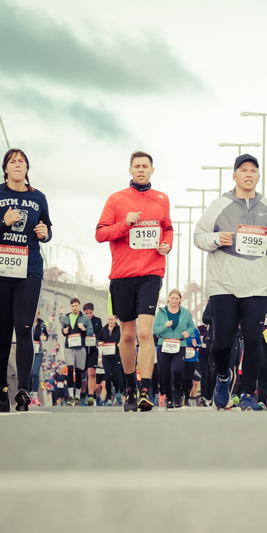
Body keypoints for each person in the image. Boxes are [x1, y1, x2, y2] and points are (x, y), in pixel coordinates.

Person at [194, 154, 267, 411]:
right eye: (243, 170)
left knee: (253, 339)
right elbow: (198, 236)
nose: (248, 174)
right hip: (223, 285)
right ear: (235, 176)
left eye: (253, 171)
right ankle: (224, 377)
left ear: (258, 177)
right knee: (223, 342)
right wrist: (216, 238)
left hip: (258, 286)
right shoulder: (219, 205)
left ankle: (249, 393)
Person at [0, 148, 52, 412]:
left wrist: (44, 233)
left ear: (27, 168)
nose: (18, 164)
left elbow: (47, 229)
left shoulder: (38, 197)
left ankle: (24, 389)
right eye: (12, 161)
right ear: (5, 169)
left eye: (22, 161)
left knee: (25, 327)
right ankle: (2, 383)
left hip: (29, 271)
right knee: (4, 332)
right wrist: (2, 224)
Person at [95, 151, 174, 412]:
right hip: (122, 275)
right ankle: (129, 387)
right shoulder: (116, 199)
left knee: (144, 332)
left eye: (145, 166)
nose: (141, 170)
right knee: (127, 335)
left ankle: (146, 390)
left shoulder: (162, 199)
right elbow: (100, 233)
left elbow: (168, 228)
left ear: (152, 170)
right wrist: (123, 224)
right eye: (136, 166)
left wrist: (167, 245)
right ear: (130, 170)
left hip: (151, 273)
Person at [154, 289, 194, 409]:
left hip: (179, 345)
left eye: (177, 298)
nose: (174, 300)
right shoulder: (161, 312)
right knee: (165, 373)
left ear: (180, 300)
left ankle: (177, 394)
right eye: (172, 298)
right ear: (168, 298)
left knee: (177, 370)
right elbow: (155, 330)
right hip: (164, 344)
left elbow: (192, 326)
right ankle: (169, 398)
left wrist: (188, 332)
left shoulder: (186, 313)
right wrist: (165, 326)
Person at [60, 298, 95, 405]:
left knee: (79, 371)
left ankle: (77, 396)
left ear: (79, 306)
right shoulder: (66, 317)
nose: (75, 308)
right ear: (71, 306)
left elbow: (91, 331)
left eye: (76, 305)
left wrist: (84, 329)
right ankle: (70, 396)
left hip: (80, 347)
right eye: (73, 306)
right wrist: (63, 331)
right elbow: (63, 330)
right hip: (69, 347)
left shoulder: (85, 318)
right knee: (70, 370)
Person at [97, 314, 123, 405]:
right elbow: (98, 339)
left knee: (116, 377)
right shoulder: (103, 329)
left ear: (116, 319)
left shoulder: (119, 330)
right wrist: (99, 343)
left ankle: (117, 391)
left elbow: (123, 339)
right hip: (106, 357)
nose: (110, 321)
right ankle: (108, 398)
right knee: (107, 376)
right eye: (108, 319)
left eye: (112, 320)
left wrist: (120, 343)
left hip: (116, 357)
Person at [31, 316, 49, 407]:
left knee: (35, 373)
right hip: (28, 352)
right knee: (29, 374)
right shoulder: (27, 322)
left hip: (38, 352)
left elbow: (46, 335)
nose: (35, 316)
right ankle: (30, 397)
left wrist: (45, 337)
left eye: (37, 314)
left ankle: (35, 396)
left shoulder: (42, 324)